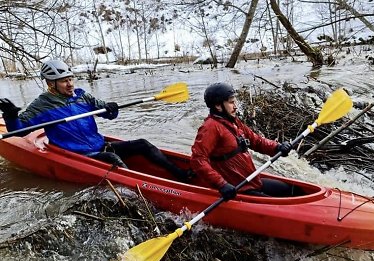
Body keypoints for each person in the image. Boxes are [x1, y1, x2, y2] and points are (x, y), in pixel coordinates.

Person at [0, 59, 191, 182]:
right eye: (65, 81)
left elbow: (107, 113)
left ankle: (180, 174)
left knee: (143, 144)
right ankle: (141, 192)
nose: (71, 84)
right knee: (112, 159)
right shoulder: (41, 105)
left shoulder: (82, 96)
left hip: (101, 146)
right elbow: (20, 131)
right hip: (81, 156)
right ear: (51, 84)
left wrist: (111, 108)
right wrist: (10, 115)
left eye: (71, 78)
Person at [190, 82, 304, 200]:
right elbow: (198, 160)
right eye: (231, 102)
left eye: (235, 102)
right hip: (236, 189)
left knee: (292, 190)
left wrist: (277, 147)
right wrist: (221, 184)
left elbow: (256, 141)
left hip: (252, 181)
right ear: (218, 106)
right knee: (276, 203)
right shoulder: (210, 128)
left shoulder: (233, 122)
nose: (235, 106)